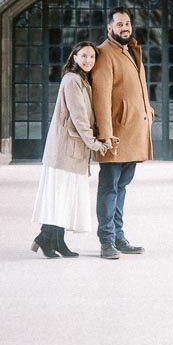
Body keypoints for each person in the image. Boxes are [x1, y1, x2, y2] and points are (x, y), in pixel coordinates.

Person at [31, 42, 112, 258]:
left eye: (92, 57)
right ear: (74, 57)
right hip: (65, 151)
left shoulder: (81, 80)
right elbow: (79, 118)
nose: (88, 60)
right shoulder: (72, 80)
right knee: (61, 196)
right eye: (84, 56)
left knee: (64, 198)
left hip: (71, 151)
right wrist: (95, 144)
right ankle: (46, 238)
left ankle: (54, 240)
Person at [91, 6, 154, 259]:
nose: (124, 28)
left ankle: (118, 236)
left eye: (127, 23)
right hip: (115, 135)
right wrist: (105, 134)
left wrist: (148, 110)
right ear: (109, 28)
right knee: (109, 187)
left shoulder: (130, 50)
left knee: (122, 187)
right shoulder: (105, 54)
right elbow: (101, 97)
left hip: (133, 132)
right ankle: (106, 241)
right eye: (119, 24)